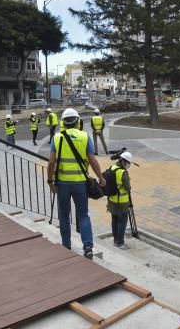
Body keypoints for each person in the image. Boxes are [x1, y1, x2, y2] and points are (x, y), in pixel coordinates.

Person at [47, 108, 105, 259]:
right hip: (80, 183)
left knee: (64, 215)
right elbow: (93, 160)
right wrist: (101, 178)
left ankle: (66, 245)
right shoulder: (85, 136)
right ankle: (88, 247)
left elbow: (51, 162)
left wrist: (50, 181)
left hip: (62, 184)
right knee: (83, 215)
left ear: (63, 123)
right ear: (78, 121)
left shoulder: (57, 138)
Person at [107, 151, 134, 249]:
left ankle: (115, 240)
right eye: (128, 163)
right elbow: (127, 187)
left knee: (114, 220)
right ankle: (120, 242)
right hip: (122, 202)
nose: (129, 165)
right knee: (122, 221)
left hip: (112, 200)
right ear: (124, 162)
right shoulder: (123, 172)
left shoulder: (112, 168)